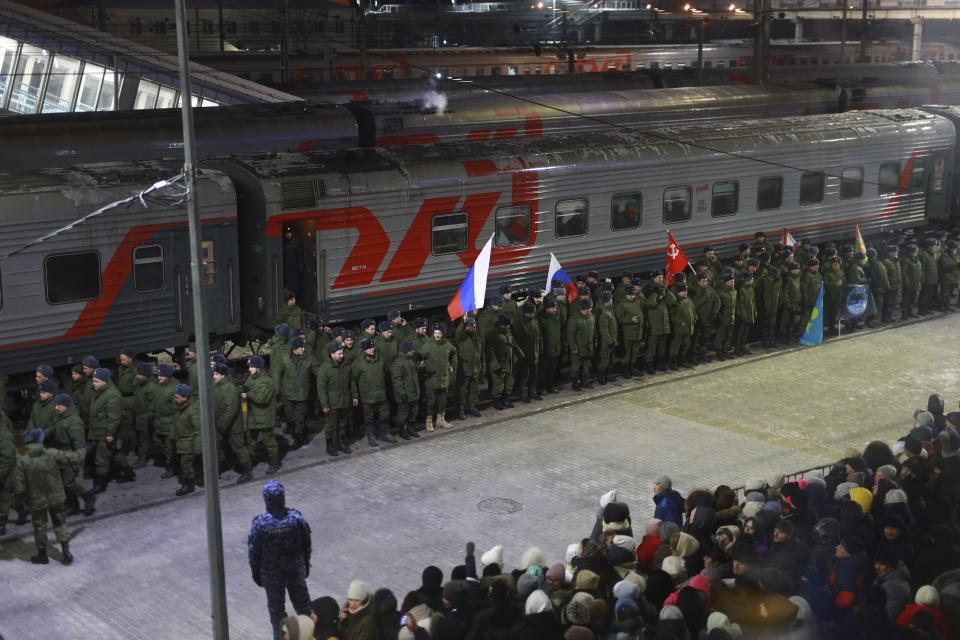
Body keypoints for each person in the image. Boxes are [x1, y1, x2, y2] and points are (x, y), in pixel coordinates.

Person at [249, 480, 312, 640]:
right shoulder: (296, 518)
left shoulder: (260, 524)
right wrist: (305, 566)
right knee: (304, 608)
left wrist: (256, 574)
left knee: (277, 615)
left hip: (272, 576)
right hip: (295, 572)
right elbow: (307, 544)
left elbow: (254, 553)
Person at [16, 427, 82, 565]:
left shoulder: (22, 462)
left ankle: (42, 555)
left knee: (39, 526)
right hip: (56, 496)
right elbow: (70, 458)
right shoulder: (51, 453)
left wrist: (22, 503)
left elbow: (20, 488)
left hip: (37, 499)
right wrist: (84, 450)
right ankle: (66, 552)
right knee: (60, 522)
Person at [47, 394, 95, 517]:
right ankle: (73, 506)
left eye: (59, 405)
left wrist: (76, 462)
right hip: (61, 455)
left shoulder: (74, 421)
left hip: (70, 456)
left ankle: (88, 497)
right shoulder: (60, 417)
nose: (56, 407)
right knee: (64, 484)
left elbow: (79, 444)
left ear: (67, 406)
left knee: (69, 483)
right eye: (56, 405)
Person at [276, 335, 321, 450]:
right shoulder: (285, 358)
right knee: (290, 417)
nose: (303, 349)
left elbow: (318, 372)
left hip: (302, 395)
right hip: (288, 394)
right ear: (294, 349)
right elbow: (278, 374)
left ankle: (298, 439)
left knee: (299, 418)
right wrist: (277, 390)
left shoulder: (309, 359)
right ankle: (303, 431)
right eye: (301, 347)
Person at [212, 361, 253, 484]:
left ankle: (247, 470)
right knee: (219, 446)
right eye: (214, 373)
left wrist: (222, 425)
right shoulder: (216, 385)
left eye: (216, 374)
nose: (214, 376)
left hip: (233, 426)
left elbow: (232, 409)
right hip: (220, 423)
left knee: (239, 447)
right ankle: (221, 466)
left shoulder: (229, 388)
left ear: (223, 375)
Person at [243, 355, 283, 473]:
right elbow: (246, 386)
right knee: (250, 441)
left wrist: (248, 394)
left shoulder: (266, 381)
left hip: (265, 417)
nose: (249, 369)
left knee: (269, 442)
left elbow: (262, 399)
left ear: (259, 368)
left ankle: (275, 463)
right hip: (254, 417)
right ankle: (248, 462)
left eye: (252, 367)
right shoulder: (252, 378)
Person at [316, 343, 357, 456]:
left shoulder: (346, 366)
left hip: (344, 401)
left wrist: (354, 396)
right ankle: (330, 446)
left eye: (342, 353)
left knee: (343, 424)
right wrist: (324, 404)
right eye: (339, 353)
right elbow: (321, 389)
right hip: (332, 404)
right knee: (331, 426)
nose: (342, 355)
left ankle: (341, 443)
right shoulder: (325, 369)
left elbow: (352, 382)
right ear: (332, 354)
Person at [353, 339, 394, 447]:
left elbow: (387, 375)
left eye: (373, 347)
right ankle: (371, 436)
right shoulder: (358, 364)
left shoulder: (381, 360)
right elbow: (353, 380)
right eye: (369, 348)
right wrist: (355, 395)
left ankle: (385, 433)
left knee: (385, 415)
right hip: (367, 396)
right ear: (364, 350)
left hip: (381, 395)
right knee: (369, 417)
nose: (372, 349)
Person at [420, 323, 457, 430]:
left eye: (439, 333)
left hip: (443, 379)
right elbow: (418, 356)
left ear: (443, 334)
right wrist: (421, 364)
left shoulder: (447, 344)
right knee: (431, 402)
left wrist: (452, 366)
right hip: (431, 380)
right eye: (435, 333)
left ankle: (441, 420)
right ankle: (429, 422)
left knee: (442, 402)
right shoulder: (428, 345)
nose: (437, 335)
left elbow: (454, 353)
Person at [171, 384, 200, 497]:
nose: (175, 399)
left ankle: (189, 484)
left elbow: (198, 429)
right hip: (181, 440)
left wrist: (197, 448)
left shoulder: (193, 410)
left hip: (189, 442)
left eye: (177, 397)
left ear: (185, 397)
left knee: (185, 463)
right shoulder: (181, 407)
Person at [486, 315, 519, 409]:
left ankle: (505, 399)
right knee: (498, 383)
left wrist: (520, 355)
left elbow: (513, 344)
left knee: (509, 381)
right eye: (507, 325)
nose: (508, 327)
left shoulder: (507, 332)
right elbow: (490, 352)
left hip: (509, 361)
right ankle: (496, 401)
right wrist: (495, 366)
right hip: (499, 363)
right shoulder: (493, 334)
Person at [391, 340, 421, 440]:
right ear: (406, 350)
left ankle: (410, 429)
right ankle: (402, 431)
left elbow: (411, 373)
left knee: (413, 411)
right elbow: (396, 380)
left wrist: (419, 366)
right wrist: (402, 393)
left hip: (413, 392)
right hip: (404, 394)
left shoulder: (409, 359)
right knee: (403, 414)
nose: (413, 351)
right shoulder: (398, 362)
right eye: (411, 350)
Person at [454, 317, 483, 420]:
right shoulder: (461, 337)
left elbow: (480, 352)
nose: (473, 328)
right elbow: (458, 332)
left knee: (474, 389)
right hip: (465, 369)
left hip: (475, 367)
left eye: (474, 326)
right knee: (462, 390)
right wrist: (463, 323)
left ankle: (472, 407)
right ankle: (461, 409)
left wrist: (481, 366)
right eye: (471, 326)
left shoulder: (476, 337)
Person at [514, 302, 543, 399]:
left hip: (535, 353)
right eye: (530, 313)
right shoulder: (519, 324)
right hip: (525, 355)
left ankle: (533, 391)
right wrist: (521, 355)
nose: (532, 315)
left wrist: (540, 349)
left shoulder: (534, 321)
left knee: (534, 374)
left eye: (533, 313)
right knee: (524, 375)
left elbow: (539, 336)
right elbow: (517, 341)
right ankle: (523, 393)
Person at [131, 362, 156, 469]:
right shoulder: (140, 384)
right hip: (139, 416)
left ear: (145, 375)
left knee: (144, 440)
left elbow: (152, 405)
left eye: (139, 374)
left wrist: (148, 417)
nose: (137, 376)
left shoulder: (151, 387)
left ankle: (143, 458)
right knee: (140, 438)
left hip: (145, 418)